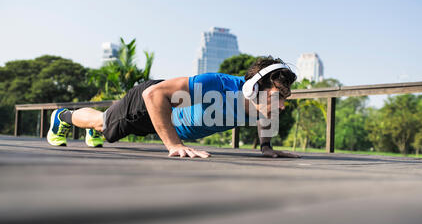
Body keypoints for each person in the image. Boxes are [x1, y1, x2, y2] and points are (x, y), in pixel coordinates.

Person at [47, 56, 301, 159]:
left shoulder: (261, 104)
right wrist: (173, 145)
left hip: (165, 121)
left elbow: (265, 116)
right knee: (104, 126)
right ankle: (62, 116)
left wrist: (267, 148)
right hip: (150, 104)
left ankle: (93, 128)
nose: (280, 106)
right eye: (277, 97)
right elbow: (153, 94)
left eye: (284, 99)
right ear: (251, 89)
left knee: (104, 128)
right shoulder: (216, 84)